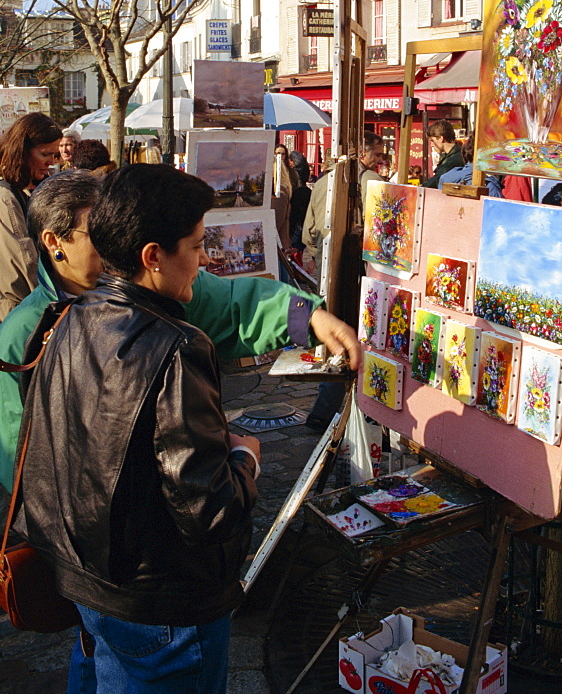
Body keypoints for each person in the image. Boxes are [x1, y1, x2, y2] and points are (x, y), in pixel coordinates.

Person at [13, 164, 360, 694]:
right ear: (152, 256)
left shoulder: (64, 318)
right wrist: (245, 458)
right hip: (160, 598)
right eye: (197, 247)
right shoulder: (174, 347)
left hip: (91, 576)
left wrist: (303, 317)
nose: (205, 261)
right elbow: (209, 507)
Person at [0, 169, 360, 493]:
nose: (111, 237)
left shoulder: (158, 288)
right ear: (53, 241)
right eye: (96, 231)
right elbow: (19, 453)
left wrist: (307, 316)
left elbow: (233, 305)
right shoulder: (26, 331)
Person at [302, 131, 384, 431]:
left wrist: (314, 254)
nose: (380, 160)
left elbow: (310, 229)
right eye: (376, 154)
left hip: (327, 266)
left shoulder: (324, 181)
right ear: (363, 154)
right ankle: (342, 411)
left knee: (337, 334)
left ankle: (324, 411)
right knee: (355, 335)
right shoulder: (371, 181)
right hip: (360, 269)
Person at [0, 112, 62, 320]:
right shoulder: (6, 197)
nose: (51, 163)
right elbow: (25, 264)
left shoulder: (19, 190)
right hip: (17, 311)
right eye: (45, 154)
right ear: (22, 152)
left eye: (55, 156)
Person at [422, 119, 463, 188]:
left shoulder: (454, 159)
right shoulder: (454, 155)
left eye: (432, 140)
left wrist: (419, 188)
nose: (431, 145)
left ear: (441, 138)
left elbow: (437, 180)